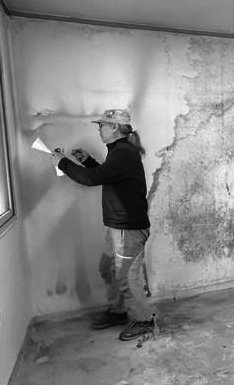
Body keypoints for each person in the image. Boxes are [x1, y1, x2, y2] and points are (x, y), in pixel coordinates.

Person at [51, 109, 156, 341]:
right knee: (107, 268)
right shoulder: (118, 152)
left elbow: (92, 179)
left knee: (126, 276)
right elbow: (105, 175)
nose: (99, 129)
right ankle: (119, 310)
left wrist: (63, 163)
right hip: (118, 226)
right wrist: (88, 161)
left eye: (102, 125)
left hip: (128, 228)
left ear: (115, 127)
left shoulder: (124, 153)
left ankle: (144, 320)